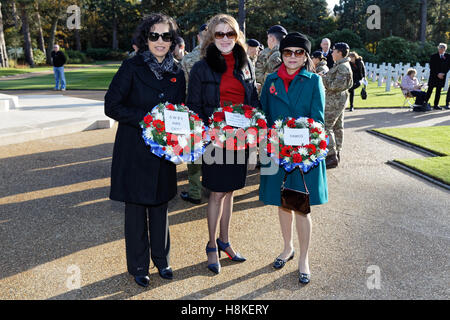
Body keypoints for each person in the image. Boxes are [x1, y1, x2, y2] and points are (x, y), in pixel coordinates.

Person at [104, 13, 186, 287]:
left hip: (163, 153)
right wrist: (147, 119)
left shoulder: (177, 72)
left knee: (161, 205)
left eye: (166, 36)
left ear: (173, 41)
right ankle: (139, 265)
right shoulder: (131, 66)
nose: (160, 41)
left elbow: (180, 112)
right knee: (136, 209)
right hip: (134, 150)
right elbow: (111, 106)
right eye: (154, 35)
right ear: (146, 38)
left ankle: (161, 260)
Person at [187, 13, 261, 274]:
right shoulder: (200, 67)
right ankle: (210, 246)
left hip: (240, 139)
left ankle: (225, 241)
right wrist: (210, 131)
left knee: (230, 192)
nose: (226, 38)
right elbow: (193, 108)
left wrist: (257, 133)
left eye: (230, 33)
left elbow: (253, 102)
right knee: (217, 193)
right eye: (220, 34)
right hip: (214, 140)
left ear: (237, 36)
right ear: (211, 37)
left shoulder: (246, 64)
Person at [259, 32, 328, 285]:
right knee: (283, 202)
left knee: (301, 207)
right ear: (282, 55)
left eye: (299, 52)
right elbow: (264, 115)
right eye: (288, 52)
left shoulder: (313, 81)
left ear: (306, 56)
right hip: (277, 153)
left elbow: (319, 120)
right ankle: (287, 248)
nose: (293, 57)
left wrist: (298, 135)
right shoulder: (270, 80)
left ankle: (304, 258)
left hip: (302, 155)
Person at [179, 23, 208, 205]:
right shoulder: (221, 57)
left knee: (195, 154)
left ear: (198, 37)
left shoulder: (189, 59)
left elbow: (182, 88)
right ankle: (213, 189)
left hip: (193, 112)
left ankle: (195, 192)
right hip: (215, 113)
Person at [321, 42, 353, 169]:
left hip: (335, 100)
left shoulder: (343, 67)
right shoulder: (340, 65)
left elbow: (335, 86)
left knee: (326, 126)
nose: (332, 53)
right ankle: (336, 153)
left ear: (339, 53)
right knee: (337, 127)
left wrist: (322, 78)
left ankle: (331, 156)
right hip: (337, 99)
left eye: (334, 51)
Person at [425, 43, 450, 110]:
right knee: (430, 90)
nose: (440, 49)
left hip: (442, 76)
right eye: (439, 48)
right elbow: (432, 66)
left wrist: (443, 73)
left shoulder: (448, 56)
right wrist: (437, 74)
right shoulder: (434, 56)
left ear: (445, 49)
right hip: (434, 76)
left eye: (442, 48)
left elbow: (448, 66)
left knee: (438, 91)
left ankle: (436, 105)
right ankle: (425, 103)